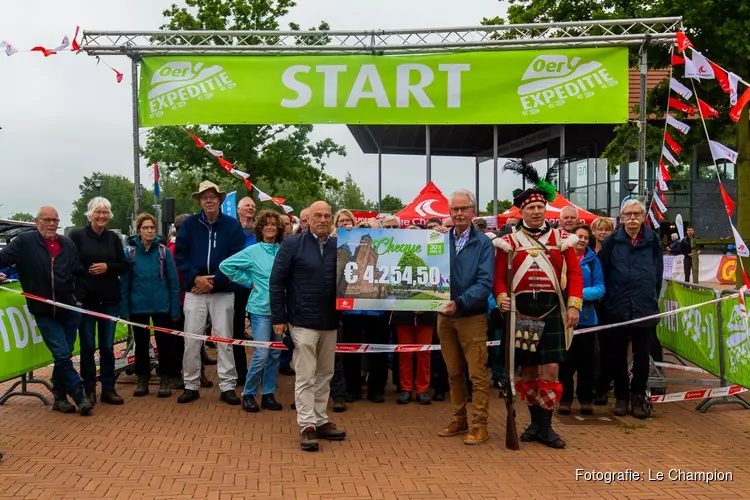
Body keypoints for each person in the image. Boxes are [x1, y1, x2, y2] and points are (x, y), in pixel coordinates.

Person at [493, 160, 583, 449]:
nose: (535, 211)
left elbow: (577, 275)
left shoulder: (563, 240)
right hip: (521, 312)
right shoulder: (507, 242)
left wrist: (573, 306)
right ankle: (533, 422)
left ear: (546, 209)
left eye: (540, 207)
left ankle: (546, 426)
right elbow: (498, 279)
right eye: (530, 208)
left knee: (551, 371)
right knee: (528, 372)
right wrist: (501, 297)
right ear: (522, 211)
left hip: (551, 310)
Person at [0, 207, 93, 415]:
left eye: (55, 220)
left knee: (66, 354)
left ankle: (59, 398)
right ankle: (79, 395)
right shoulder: (24, 242)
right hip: (43, 311)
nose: (52, 224)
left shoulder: (67, 244)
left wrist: (78, 299)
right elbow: (3, 258)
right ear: (37, 222)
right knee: (61, 355)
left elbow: (80, 273)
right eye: (47, 220)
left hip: (69, 309)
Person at [270, 200, 346, 452]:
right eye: (318, 216)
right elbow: (276, 280)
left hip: (330, 320)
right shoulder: (292, 244)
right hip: (302, 320)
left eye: (327, 215)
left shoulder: (340, 247)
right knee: (305, 375)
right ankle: (307, 426)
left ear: (332, 218)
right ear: (308, 219)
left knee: (325, 373)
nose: (323, 220)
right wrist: (279, 318)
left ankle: (321, 419)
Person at [174, 181, 246, 405]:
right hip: (195, 289)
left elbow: (236, 258)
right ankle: (191, 384)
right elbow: (181, 255)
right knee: (192, 339)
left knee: (225, 340)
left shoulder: (232, 226)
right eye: (204, 197)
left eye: (212, 196)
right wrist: (195, 277)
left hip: (222, 291)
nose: (209, 200)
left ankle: (227, 386)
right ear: (200, 201)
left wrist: (213, 282)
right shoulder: (189, 225)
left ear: (220, 200)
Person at [436, 189, 494, 446]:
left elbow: (485, 283)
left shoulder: (483, 243)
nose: (459, 213)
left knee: (477, 374)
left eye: (464, 209)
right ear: (449, 213)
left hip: (471, 315)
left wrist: (458, 302)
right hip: (444, 316)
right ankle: (459, 419)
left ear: (473, 212)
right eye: (454, 209)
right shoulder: (438, 241)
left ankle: (480, 425)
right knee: (453, 372)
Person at [597, 199, 663, 419]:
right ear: (621, 217)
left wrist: (652, 298)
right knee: (616, 355)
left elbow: (658, 275)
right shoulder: (612, 243)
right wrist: (608, 300)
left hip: (644, 307)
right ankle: (622, 396)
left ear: (643, 217)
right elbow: (603, 272)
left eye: (636, 214)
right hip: (617, 306)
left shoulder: (653, 241)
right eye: (628, 214)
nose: (632, 218)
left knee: (643, 355)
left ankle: (638, 396)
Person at [220, 210, 285, 413]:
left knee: (275, 354)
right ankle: (248, 393)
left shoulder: (284, 250)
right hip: (260, 310)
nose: (270, 227)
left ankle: (268, 393)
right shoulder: (253, 251)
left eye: (274, 224)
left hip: (281, 311)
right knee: (261, 354)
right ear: (260, 228)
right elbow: (226, 266)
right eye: (266, 224)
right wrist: (248, 282)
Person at [69, 197, 128, 406]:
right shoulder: (76, 235)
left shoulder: (114, 238)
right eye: (98, 212)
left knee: (107, 346)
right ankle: (89, 389)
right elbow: (71, 265)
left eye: (105, 213)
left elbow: (124, 265)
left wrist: (107, 267)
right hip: (86, 301)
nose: (102, 216)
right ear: (90, 214)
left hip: (110, 299)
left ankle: (109, 389)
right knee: (87, 346)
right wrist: (79, 291)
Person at [120, 213, 182, 398]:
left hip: (162, 306)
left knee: (164, 344)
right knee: (140, 345)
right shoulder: (130, 253)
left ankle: (165, 378)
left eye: (152, 228)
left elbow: (173, 282)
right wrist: (125, 310)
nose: (149, 231)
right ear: (138, 230)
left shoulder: (164, 252)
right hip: (138, 306)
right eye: (145, 228)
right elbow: (124, 283)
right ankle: (142, 378)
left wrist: (175, 309)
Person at [558, 224, 604, 415]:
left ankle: (585, 399)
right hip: (564, 319)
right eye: (579, 236)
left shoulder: (594, 262)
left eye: (586, 237)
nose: (583, 240)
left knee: (587, 363)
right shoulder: (561, 259)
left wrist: (577, 294)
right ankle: (565, 399)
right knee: (565, 364)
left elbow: (601, 288)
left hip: (587, 319)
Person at [233, 196, 257, 385]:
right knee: (236, 330)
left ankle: (260, 370)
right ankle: (240, 371)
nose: (250, 207)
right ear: (238, 209)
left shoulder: (259, 230)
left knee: (261, 329)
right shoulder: (232, 229)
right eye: (247, 205)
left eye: (253, 206)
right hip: (237, 287)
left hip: (257, 287)